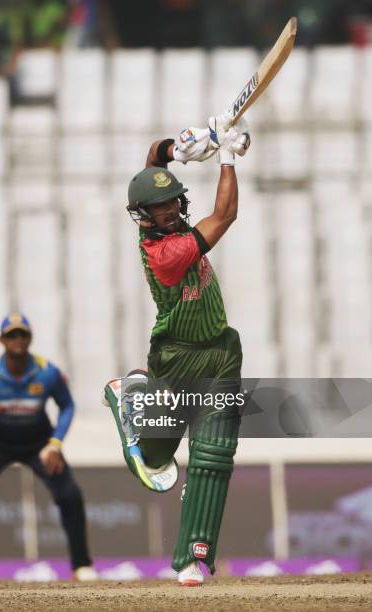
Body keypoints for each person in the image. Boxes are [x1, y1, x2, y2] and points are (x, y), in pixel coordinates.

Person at [104, 114, 250, 586]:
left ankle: (194, 556)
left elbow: (151, 162)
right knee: (156, 459)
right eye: (160, 207)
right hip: (177, 355)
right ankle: (131, 400)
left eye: (172, 200)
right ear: (144, 217)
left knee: (214, 453)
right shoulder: (164, 253)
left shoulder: (160, 209)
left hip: (221, 350)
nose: (169, 209)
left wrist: (182, 147)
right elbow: (225, 215)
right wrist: (225, 154)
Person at [0, 313, 97, 583]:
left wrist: (55, 443)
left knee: (70, 495)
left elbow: (68, 405)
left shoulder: (47, 372)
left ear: (30, 338)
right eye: (12, 334)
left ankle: (81, 566)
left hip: (38, 442)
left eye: (23, 334)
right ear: (1, 339)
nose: (18, 339)